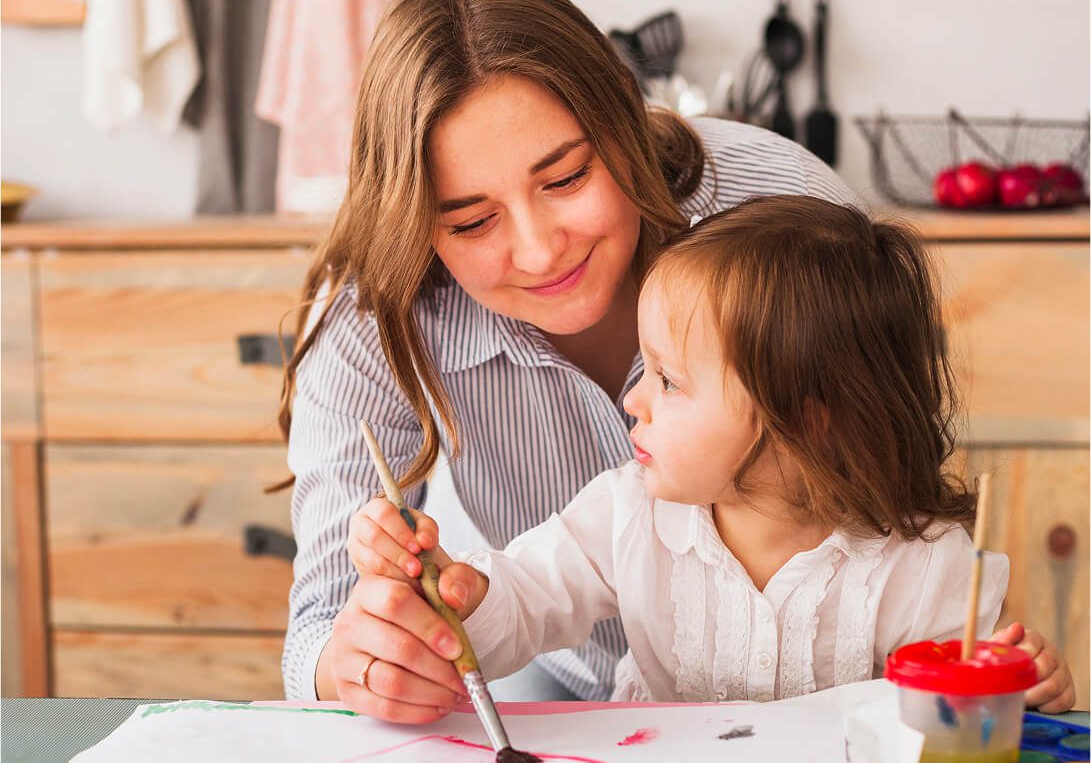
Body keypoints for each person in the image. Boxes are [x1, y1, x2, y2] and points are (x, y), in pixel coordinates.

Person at [280, 0, 861, 710]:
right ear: (418, 225)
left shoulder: (782, 207)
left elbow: (901, 485)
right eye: (471, 220)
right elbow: (317, 630)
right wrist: (358, 664)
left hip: (813, 688)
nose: (538, 248)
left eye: (564, 179)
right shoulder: (371, 312)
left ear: (622, 110)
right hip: (561, 672)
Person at [350, 196, 1076, 718]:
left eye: (669, 380)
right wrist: (467, 595)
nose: (633, 399)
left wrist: (1020, 688)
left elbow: (960, 723)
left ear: (804, 418)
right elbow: (524, 608)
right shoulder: (629, 510)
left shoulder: (929, 565)